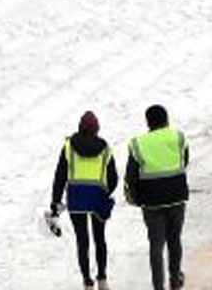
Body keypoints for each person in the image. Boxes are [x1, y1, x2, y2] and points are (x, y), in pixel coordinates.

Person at [125, 105, 189, 290]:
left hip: (151, 202)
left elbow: (131, 176)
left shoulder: (138, 143)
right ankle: (175, 279)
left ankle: (158, 287)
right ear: (166, 119)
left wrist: (137, 199)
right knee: (174, 239)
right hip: (176, 197)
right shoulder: (178, 137)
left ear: (148, 122)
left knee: (156, 245)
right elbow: (184, 161)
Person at [52, 110, 118, 289]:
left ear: (80, 127)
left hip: (76, 199)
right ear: (97, 129)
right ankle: (102, 279)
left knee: (82, 241)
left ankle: (87, 281)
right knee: (100, 238)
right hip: (97, 198)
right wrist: (105, 193)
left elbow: (60, 176)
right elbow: (113, 179)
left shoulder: (68, 146)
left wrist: (55, 201)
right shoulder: (105, 148)